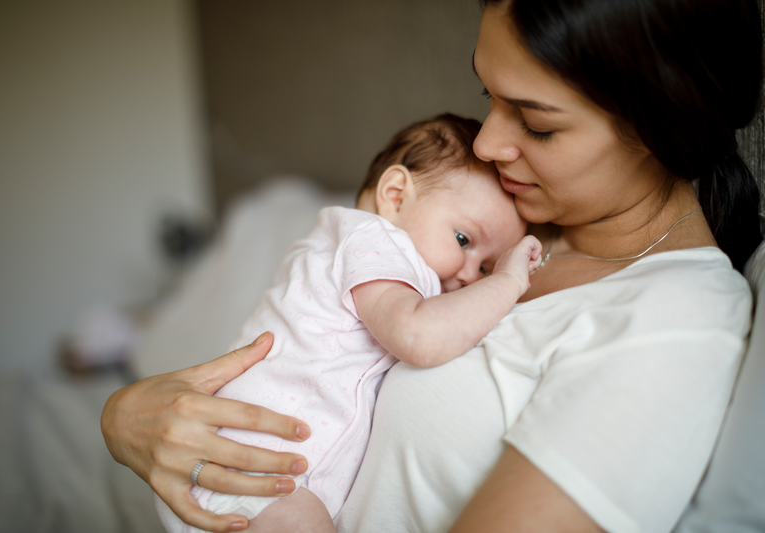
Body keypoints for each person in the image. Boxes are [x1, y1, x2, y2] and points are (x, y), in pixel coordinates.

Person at [101, 0, 763, 531]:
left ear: (658, 123)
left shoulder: (674, 320)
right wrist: (124, 416)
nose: (488, 143)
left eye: (536, 124)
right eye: (488, 94)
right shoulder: (501, 211)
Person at [155, 113, 541, 533]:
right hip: (248, 474)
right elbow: (419, 336)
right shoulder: (373, 243)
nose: (471, 276)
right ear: (395, 196)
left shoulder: (359, 251)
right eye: (463, 240)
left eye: (486, 267)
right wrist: (507, 280)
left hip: (259, 478)